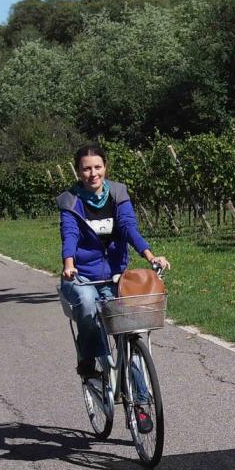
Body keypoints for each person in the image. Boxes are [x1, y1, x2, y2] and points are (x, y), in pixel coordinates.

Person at [58, 143, 170, 386]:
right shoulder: (70, 200)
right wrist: (69, 264)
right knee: (87, 303)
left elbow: (129, 227)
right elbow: (70, 234)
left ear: (105, 167)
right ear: (78, 171)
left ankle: (141, 398)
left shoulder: (118, 193)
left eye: (98, 167)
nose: (93, 173)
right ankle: (88, 359)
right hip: (81, 276)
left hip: (116, 277)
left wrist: (150, 256)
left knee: (128, 330)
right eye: (86, 169)